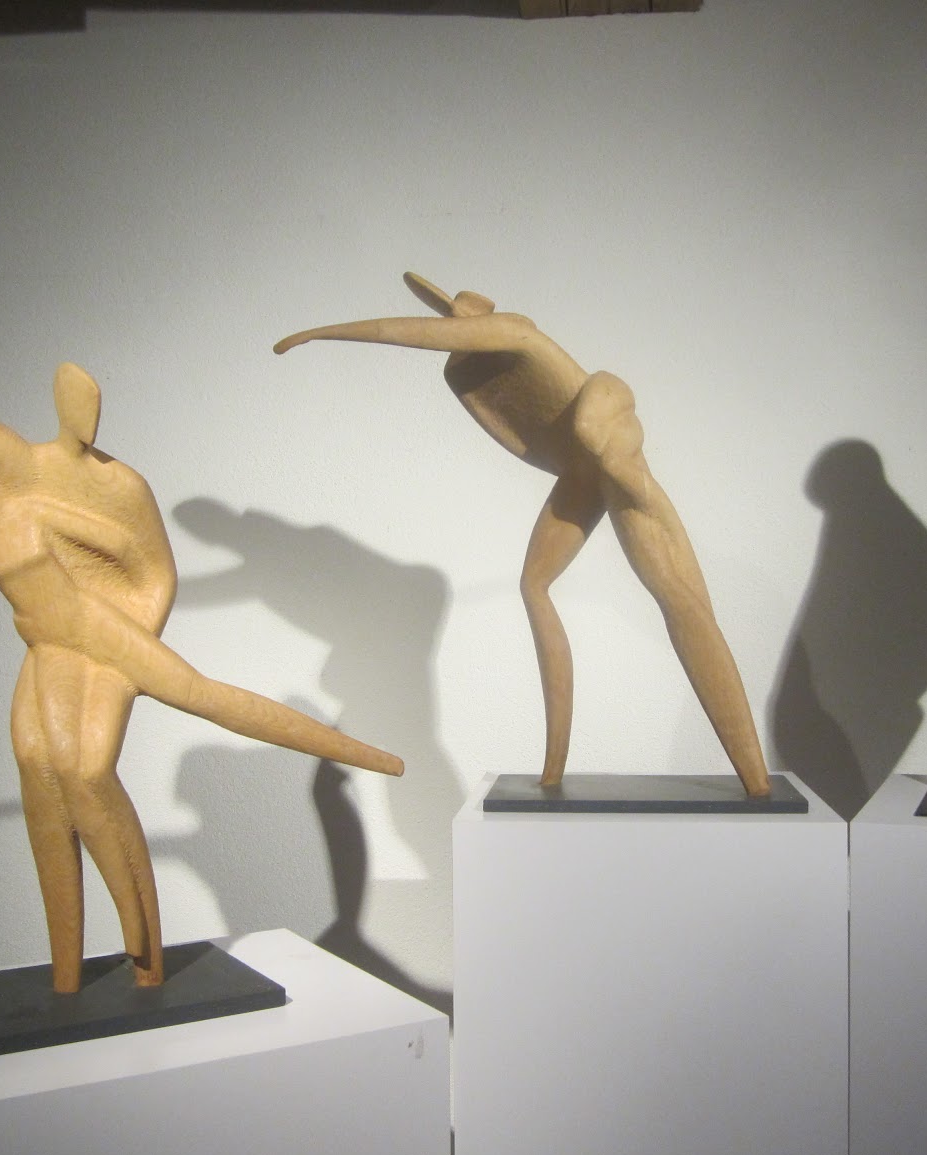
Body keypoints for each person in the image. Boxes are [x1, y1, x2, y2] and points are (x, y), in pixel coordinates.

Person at [0, 363, 402, 992]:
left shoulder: (35, 512)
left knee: (197, 699)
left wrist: (109, 549)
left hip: (98, 631)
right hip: (51, 649)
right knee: (49, 766)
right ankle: (79, 967)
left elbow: (124, 547)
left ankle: (354, 754)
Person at [276, 274, 770, 795]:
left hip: (605, 438)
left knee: (674, 590)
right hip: (580, 472)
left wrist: (321, 332)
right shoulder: (467, 375)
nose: (457, 329)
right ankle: (554, 767)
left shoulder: (515, 331)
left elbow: (423, 335)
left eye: (462, 321)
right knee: (535, 585)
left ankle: (755, 779)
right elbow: (518, 426)